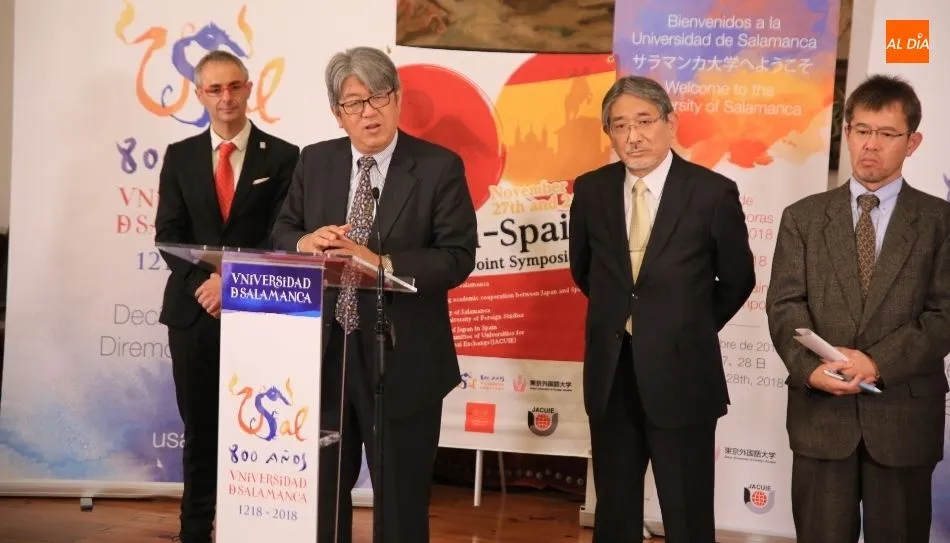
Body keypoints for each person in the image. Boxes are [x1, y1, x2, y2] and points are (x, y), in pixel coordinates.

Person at [270, 46, 477, 542]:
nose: (369, 113)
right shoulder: (315, 161)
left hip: (401, 356)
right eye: (354, 103)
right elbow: (281, 231)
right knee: (323, 491)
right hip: (327, 355)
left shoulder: (437, 167)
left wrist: (381, 263)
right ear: (337, 113)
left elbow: (456, 256)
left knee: (401, 499)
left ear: (398, 99)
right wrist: (306, 242)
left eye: (379, 97)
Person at [568, 75, 756, 542]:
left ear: (671, 123)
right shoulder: (591, 190)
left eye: (645, 121)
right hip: (613, 373)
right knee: (613, 507)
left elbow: (737, 279)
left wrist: (685, 329)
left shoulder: (712, 192)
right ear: (609, 133)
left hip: (684, 374)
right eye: (620, 126)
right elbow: (584, 270)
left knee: (686, 507)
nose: (633, 136)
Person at [766, 74, 950, 542]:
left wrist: (877, 363)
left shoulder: (939, 222)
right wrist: (809, 369)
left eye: (887, 134)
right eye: (862, 130)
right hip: (821, 417)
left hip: (904, 418)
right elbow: (785, 306)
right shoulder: (803, 218)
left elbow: (944, 314)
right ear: (846, 131)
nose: (872, 145)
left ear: (913, 142)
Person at [154, 50, 300, 543]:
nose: (226, 98)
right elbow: (167, 234)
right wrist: (204, 286)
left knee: (257, 430)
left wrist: (231, 283)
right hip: (193, 315)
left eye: (234, 86)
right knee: (200, 432)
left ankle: (250, 527)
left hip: (259, 312)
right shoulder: (179, 156)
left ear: (249, 88)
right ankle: (194, 530)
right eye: (214, 89)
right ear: (199, 95)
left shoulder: (284, 157)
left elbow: (282, 236)